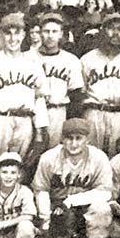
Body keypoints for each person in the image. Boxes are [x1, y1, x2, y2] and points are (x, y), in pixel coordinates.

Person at [0, 12, 49, 189]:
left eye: (17, 33)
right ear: (0, 35)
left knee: (18, 165)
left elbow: (39, 99)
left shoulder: (33, 64)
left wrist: (39, 131)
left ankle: (13, 204)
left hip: (25, 120)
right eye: (8, 33)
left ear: (24, 35)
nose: (13, 38)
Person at [32, 118, 113, 238]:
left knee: (101, 207)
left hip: (86, 208)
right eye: (69, 138)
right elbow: (41, 190)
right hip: (58, 212)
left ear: (87, 139)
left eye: (79, 138)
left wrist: (72, 200)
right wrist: (45, 221)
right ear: (62, 139)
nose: (74, 143)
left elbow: (105, 192)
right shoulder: (49, 158)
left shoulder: (98, 157)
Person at [78, 12, 120, 156]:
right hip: (94, 112)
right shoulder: (87, 59)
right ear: (102, 30)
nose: (115, 33)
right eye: (111, 28)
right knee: (90, 157)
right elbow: (79, 95)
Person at [30, 12, 85, 147]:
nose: (50, 35)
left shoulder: (71, 60)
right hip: (32, 113)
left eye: (54, 31)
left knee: (55, 154)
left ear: (61, 34)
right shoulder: (27, 57)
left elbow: (76, 95)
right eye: (46, 31)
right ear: (40, 33)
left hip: (58, 111)